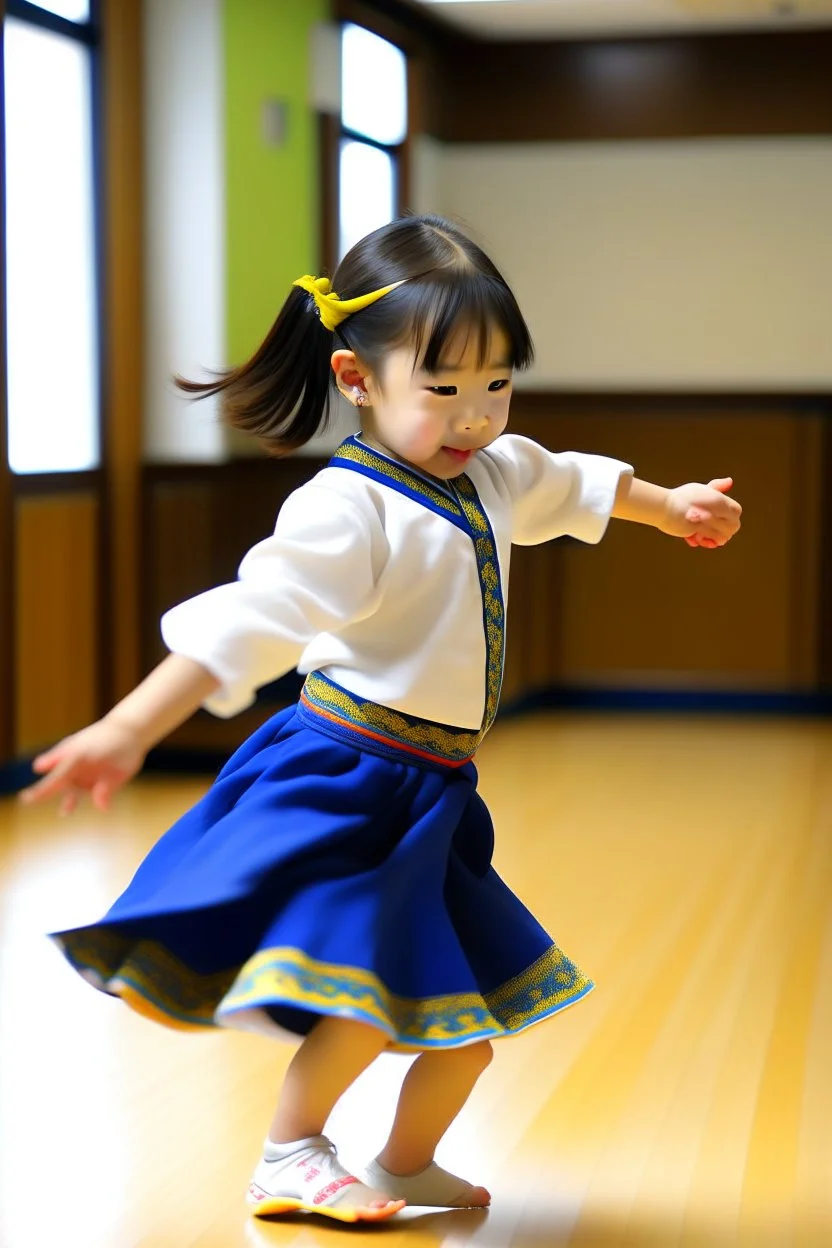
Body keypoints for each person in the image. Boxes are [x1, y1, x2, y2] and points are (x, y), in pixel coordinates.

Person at [22, 214, 742, 1224]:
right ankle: (288, 1154)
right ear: (357, 379)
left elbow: (579, 480)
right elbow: (248, 618)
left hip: (432, 790)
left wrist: (674, 509)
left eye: (497, 385)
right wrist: (130, 728)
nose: (476, 416)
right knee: (362, 1001)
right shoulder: (347, 508)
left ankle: (404, 1163)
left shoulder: (492, 472)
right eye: (442, 389)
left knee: (465, 1034)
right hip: (344, 776)